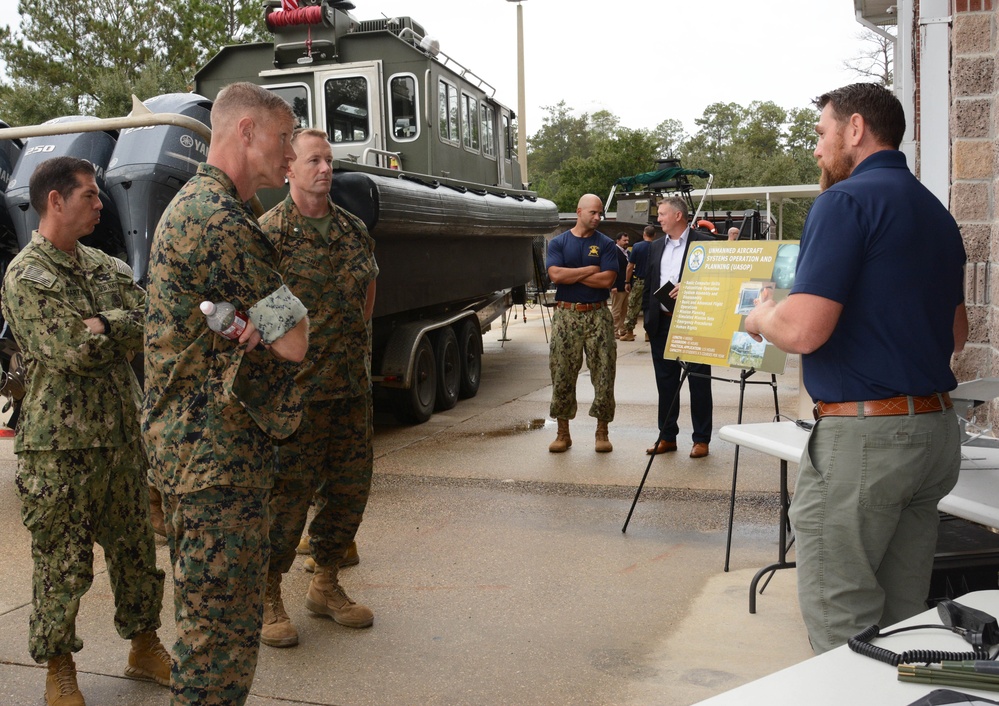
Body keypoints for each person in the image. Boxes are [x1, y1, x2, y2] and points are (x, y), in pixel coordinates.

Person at [744, 82, 967, 654]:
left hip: (866, 440)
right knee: (900, 623)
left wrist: (764, 317)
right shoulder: (936, 213)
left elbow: (802, 331)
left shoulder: (844, 202)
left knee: (843, 622)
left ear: (856, 129)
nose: (817, 149)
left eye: (821, 133)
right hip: (935, 434)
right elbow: (957, 334)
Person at [143, 82, 310, 705]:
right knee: (218, 642)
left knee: (208, 627)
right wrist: (268, 325)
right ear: (245, 133)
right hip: (216, 461)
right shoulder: (221, 221)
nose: (290, 153)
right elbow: (294, 340)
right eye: (283, 138)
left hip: (200, 453)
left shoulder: (197, 205)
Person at [1, 157, 171, 706]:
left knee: (136, 553)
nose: (102, 205)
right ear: (56, 201)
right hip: (59, 450)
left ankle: (145, 646)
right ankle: (59, 667)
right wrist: (103, 329)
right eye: (91, 197)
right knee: (61, 563)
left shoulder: (104, 265)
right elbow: (70, 350)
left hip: (122, 438)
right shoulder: (25, 276)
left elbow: (148, 320)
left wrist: (107, 323)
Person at [258, 127, 379, 646]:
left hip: (350, 388)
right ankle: (267, 594)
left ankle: (325, 583)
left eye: (329, 161)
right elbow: (260, 316)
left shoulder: (353, 230)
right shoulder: (268, 234)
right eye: (314, 161)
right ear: (288, 168)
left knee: (350, 493)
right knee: (287, 501)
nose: (325, 169)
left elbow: (368, 290)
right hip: (296, 394)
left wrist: (350, 346)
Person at [546, 193, 619, 453]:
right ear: (579, 212)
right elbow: (555, 274)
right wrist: (590, 269)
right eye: (593, 213)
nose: (598, 217)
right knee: (562, 373)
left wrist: (571, 275)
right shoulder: (558, 243)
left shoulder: (607, 244)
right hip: (566, 315)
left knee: (604, 373)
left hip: (598, 315)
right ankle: (562, 433)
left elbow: (606, 281)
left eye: (600, 213)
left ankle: (602, 431)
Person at [643, 195, 713, 459]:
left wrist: (692, 285)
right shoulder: (655, 246)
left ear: (678, 216)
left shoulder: (705, 243)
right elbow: (650, 285)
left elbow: (718, 283)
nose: (658, 218)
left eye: (661, 214)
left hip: (693, 323)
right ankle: (667, 436)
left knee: (699, 381)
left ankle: (701, 439)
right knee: (666, 383)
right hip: (661, 323)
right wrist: (648, 321)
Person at [622, 225, 655, 342]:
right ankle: (649, 333)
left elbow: (630, 266)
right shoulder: (658, 246)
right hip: (654, 282)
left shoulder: (637, 246)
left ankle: (629, 332)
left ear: (644, 234)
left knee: (633, 306)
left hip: (640, 281)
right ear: (654, 235)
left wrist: (627, 281)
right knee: (650, 307)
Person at [610, 232, 630, 339]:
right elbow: (612, 269)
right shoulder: (614, 252)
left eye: (627, 240)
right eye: (624, 240)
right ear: (618, 241)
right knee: (616, 310)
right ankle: (613, 331)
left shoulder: (628, 253)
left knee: (624, 310)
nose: (627, 242)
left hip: (626, 286)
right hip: (617, 286)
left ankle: (622, 330)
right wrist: (613, 285)